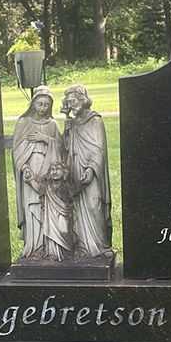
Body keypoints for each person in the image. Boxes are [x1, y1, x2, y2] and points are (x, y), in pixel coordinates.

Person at [60, 84, 112, 260]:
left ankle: (99, 245)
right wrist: (67, 123)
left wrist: (90, 169)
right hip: (75, 171)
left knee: (93, 204)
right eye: (68, 102)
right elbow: (66, 147)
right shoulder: (72, 122)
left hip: (91, 172)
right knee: (77, 209)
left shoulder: (95, 120)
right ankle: (82, 245)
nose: (71, 105)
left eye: (73, 101)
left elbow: (99, 148)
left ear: (82, 100)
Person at [12, 86, 63, 259]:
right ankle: (34, 245)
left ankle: (49, 245)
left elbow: (60, 148)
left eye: (46, 105)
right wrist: (24, 167)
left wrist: (45, 139)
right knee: (32, 205)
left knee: (47, 207)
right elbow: (17, 150)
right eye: (40, 104)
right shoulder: (23, 123)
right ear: (33, 104)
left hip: (48, 171)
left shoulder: (52, 124)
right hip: (30, 171)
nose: (42, 108)